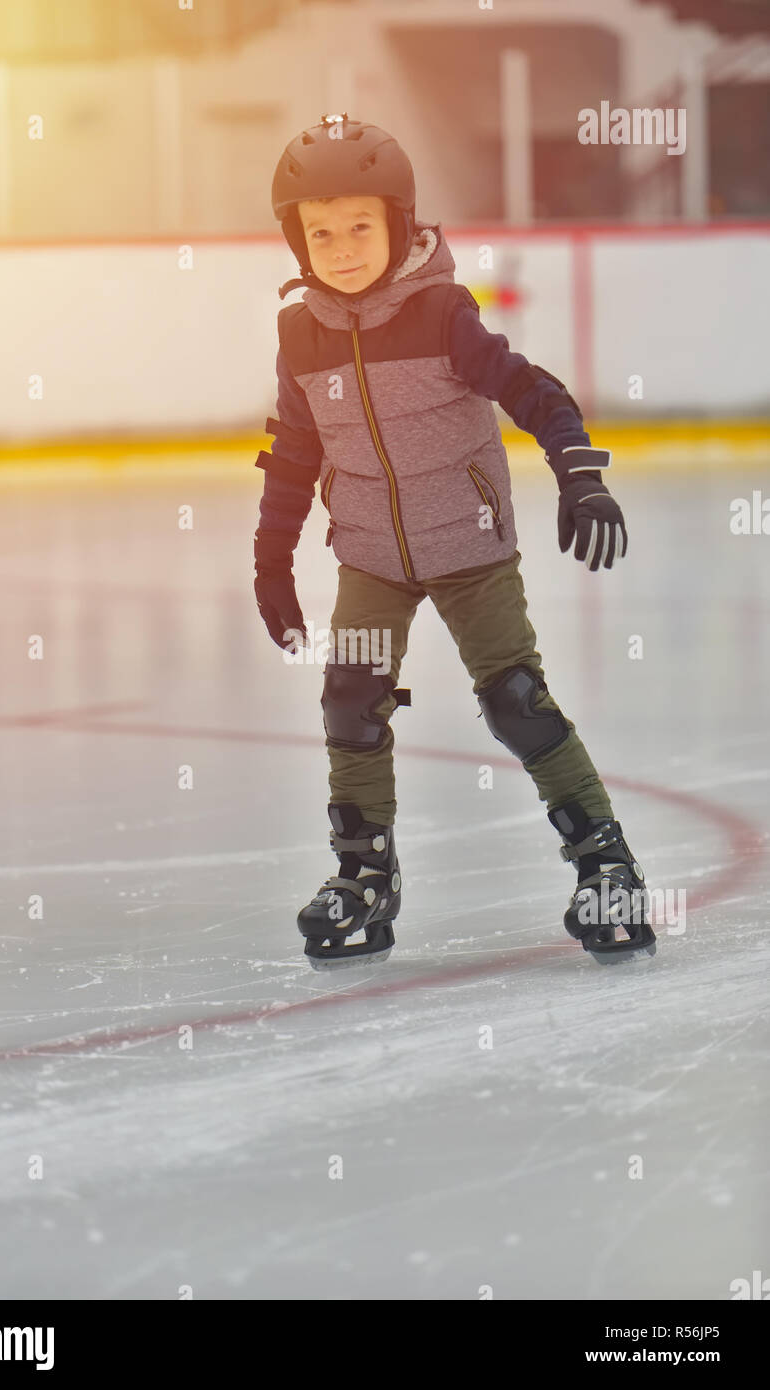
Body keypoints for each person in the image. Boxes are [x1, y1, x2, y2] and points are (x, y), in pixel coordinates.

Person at [253, 113, 655, 970]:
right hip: (370, 558)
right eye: (319, 231)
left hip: (470, 549)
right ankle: (364, 874)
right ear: (296, 240)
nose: (342, 246)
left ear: (397, 224)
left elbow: (531, 389)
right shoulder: (300, 334)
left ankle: (604, 863)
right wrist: (271, 562)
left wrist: (578, 473)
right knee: (349, 705)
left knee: (514, 700)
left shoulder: (441, 313)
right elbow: (293, 452)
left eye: (360, 225)